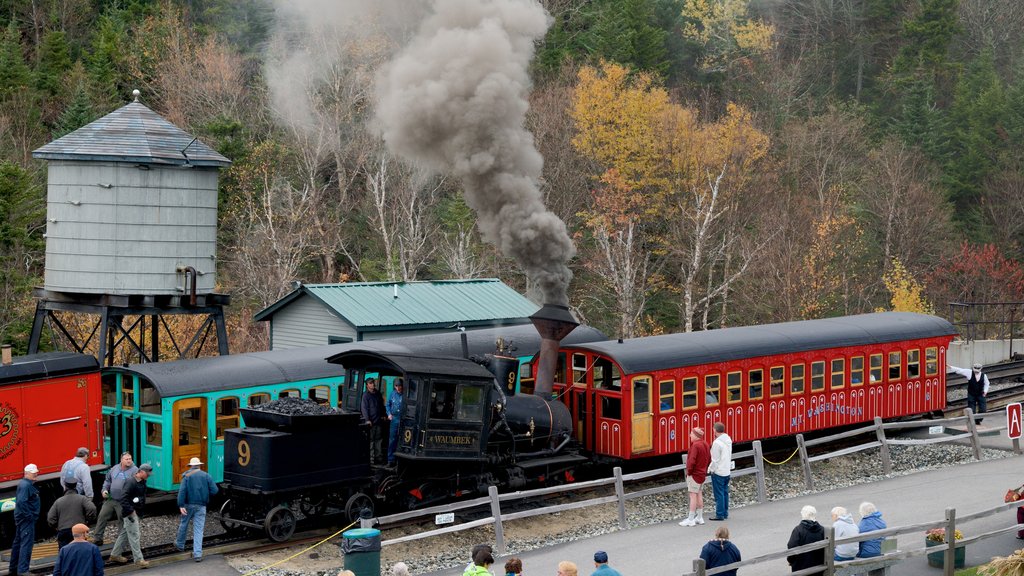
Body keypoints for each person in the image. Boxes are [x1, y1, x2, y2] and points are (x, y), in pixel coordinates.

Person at [175, 456, 219, 562]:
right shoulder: (206, 475)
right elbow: (215, 490)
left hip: (188, 505)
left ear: (190, 466)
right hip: (201, 506)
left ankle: (180, 545)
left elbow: (182, 491)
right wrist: (205, 493)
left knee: (184, 523)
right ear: (199, 465)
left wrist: (181, 505)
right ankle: (198, 554)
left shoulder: (186, 476)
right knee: (199, 529)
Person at [109, 463, 153, 568]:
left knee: (124, 533)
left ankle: (115, 554)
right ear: (141, 472)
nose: (149, 475)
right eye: (147, 473)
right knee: (134, 536)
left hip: (135, 512)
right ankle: (139, 560)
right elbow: (123, 498)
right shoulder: (131, 482)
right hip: (130, 514)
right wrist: (130, 510)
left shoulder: (141, 481)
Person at [93, 452, 137, 546]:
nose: (129, 461)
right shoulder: (114, 468)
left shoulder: (135, 470)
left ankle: (121, 543)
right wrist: (104, 490)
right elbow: (108, 480)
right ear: (121, 460)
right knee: (102, 516)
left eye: (130, 459)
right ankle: (98, 538)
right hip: (111, 499)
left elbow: (137, 486)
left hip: (123, 501)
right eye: (127, 459)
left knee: (122, 521)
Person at [47, 478, 97, 549]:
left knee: (66, 555)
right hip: (79, 530)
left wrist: (56, 526)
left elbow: (50, 518)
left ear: (65, 486)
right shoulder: (82, 498)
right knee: (80, 551)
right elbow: (92, 508)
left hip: (64, 531)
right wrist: (88, 520)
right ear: (75, 486)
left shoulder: (58, 501)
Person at [9, 463, 40, 576]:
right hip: (26, 519)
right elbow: (22, 502)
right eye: (33, 473)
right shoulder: (26, 485)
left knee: (18, 543)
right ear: (26, 473)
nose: (36, 474)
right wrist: (29, 516)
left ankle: (14, 568)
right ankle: (23, 570)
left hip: (22, 518)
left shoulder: (24, 484)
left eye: (36, 472)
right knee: (26, 544)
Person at [680, 427, 711, 526]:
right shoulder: (705, 444)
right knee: (699, 494)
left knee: (693, 495)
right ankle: (700, 517)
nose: (690, 435)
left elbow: (691, 461)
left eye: (691, 434)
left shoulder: (695, 446)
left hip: (695, 474)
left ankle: (690, 519)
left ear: (696, 436)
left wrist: (689, 472)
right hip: (702, 474)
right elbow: (709, 459)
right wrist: (705, 470)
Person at [787, 505, 825, 576]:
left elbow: (792, 546)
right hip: (819, 566)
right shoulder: (822, 530)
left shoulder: (798, 530)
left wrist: (790, 560)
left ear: (803, 515)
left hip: (801, 567)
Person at [708, 421, 732, 520]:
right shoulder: (728, 439)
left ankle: (720, 514)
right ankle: (725, 513)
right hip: (727, 470)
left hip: (719, 471)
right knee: (725, 492)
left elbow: (715, 460)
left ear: (715, 430)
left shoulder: (717, 443)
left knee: (719, 494)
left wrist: (710, 469)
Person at [361, 378, 387, 464]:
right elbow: (364, 408)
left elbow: (381, 405)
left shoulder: (377, 393)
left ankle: (379, 458)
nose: (372, 384)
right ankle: (371, 460)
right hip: (371, 422)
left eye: (373, 383)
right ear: (367, 385)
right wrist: (367, 420)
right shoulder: (365, 395)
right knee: (371, 441)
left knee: (379, 440)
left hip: (378, 420)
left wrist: (384, 414)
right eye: (370, 383)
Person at [386, 380, 405, 465]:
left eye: (400, 386)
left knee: (402, 439)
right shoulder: (392, 394)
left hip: (403, 419)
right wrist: (389, 414)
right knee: (392, 439)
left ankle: (400, 459)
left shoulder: (405, 394)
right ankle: (390, 459)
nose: (398, 388)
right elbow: (388, 404)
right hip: (394, 418)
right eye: (396, 386)